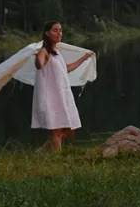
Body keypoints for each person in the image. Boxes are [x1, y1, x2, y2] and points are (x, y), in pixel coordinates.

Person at [33, 21, 94, 151]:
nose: (59, 33)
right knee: (57, 131)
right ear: (47, 33)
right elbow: (39, 64)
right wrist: (38, 58)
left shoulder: (57, 51)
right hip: (51, 97)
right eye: (55, 30)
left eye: (60, 30)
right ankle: (56, 159)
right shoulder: (44, 51)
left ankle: (40, 153)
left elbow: (65, 69)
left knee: (64, 130)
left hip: (61, 95)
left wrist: (83, 58)